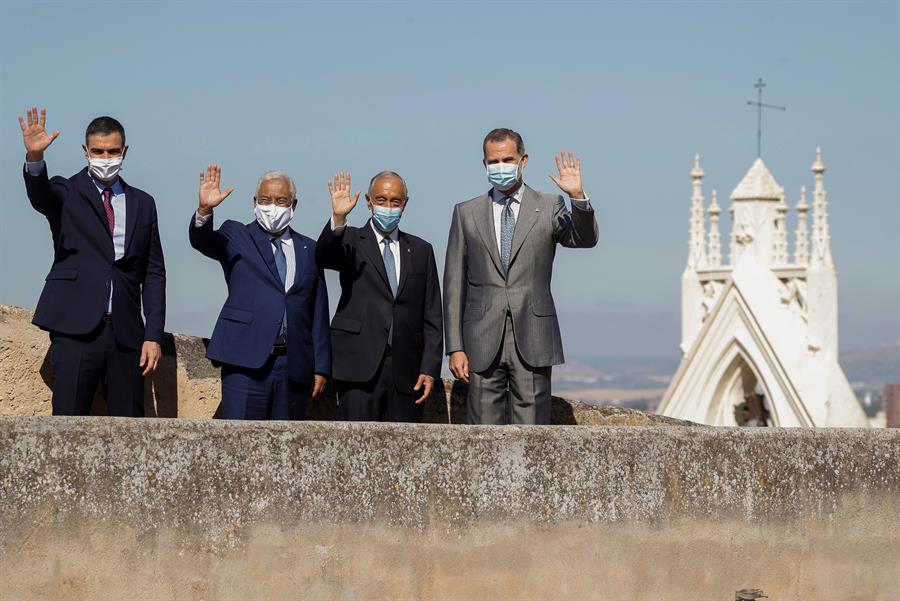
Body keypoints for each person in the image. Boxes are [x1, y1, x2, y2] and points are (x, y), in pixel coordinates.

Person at [443, 128, 599, 425]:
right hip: (481, 338)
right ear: (484, 164)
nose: (500, 166)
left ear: (523, 160)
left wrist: (577, 197)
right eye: (493, 161)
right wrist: (455, 346)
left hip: (533, 336)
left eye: (507, 159)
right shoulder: (466, 212)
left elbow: (583, 239)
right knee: (483, 436)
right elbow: (453, 282)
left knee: (533, 434)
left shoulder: (550, 205)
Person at [19, 106, 166, 417]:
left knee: (128, 433)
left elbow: (153, 274)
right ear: (86, 151)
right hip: (75, 330)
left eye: (112, 151)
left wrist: (152, 334)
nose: (106, 158)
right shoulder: (66, 191)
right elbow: (40, 196)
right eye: (98, 151)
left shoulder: (143, 203)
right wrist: (35, 158)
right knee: (67, 425)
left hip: (126, 335)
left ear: (124, 151)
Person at [189, 165, 330, 419]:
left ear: (293, 205)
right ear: (255, 202)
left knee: (287, 450)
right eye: (265, 200)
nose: (272, 207)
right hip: (245, 362)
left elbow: (317, 310)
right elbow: (202, 240)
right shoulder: (236, 235)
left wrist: (321, 367)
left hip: (293, 366)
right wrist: (205, 210)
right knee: (240, 444)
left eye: (280, 200)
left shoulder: (309, 249)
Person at [316, 171, 443, 422]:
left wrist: (429, 369)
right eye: (381, 200)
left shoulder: (420, 250)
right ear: (368, 201)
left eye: (395, 201)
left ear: (405, 203)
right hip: (358, 366)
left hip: (407, 371)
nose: (388, 207)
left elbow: (432, 315)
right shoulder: (350, 239)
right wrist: (338, 217)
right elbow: (324, 256)